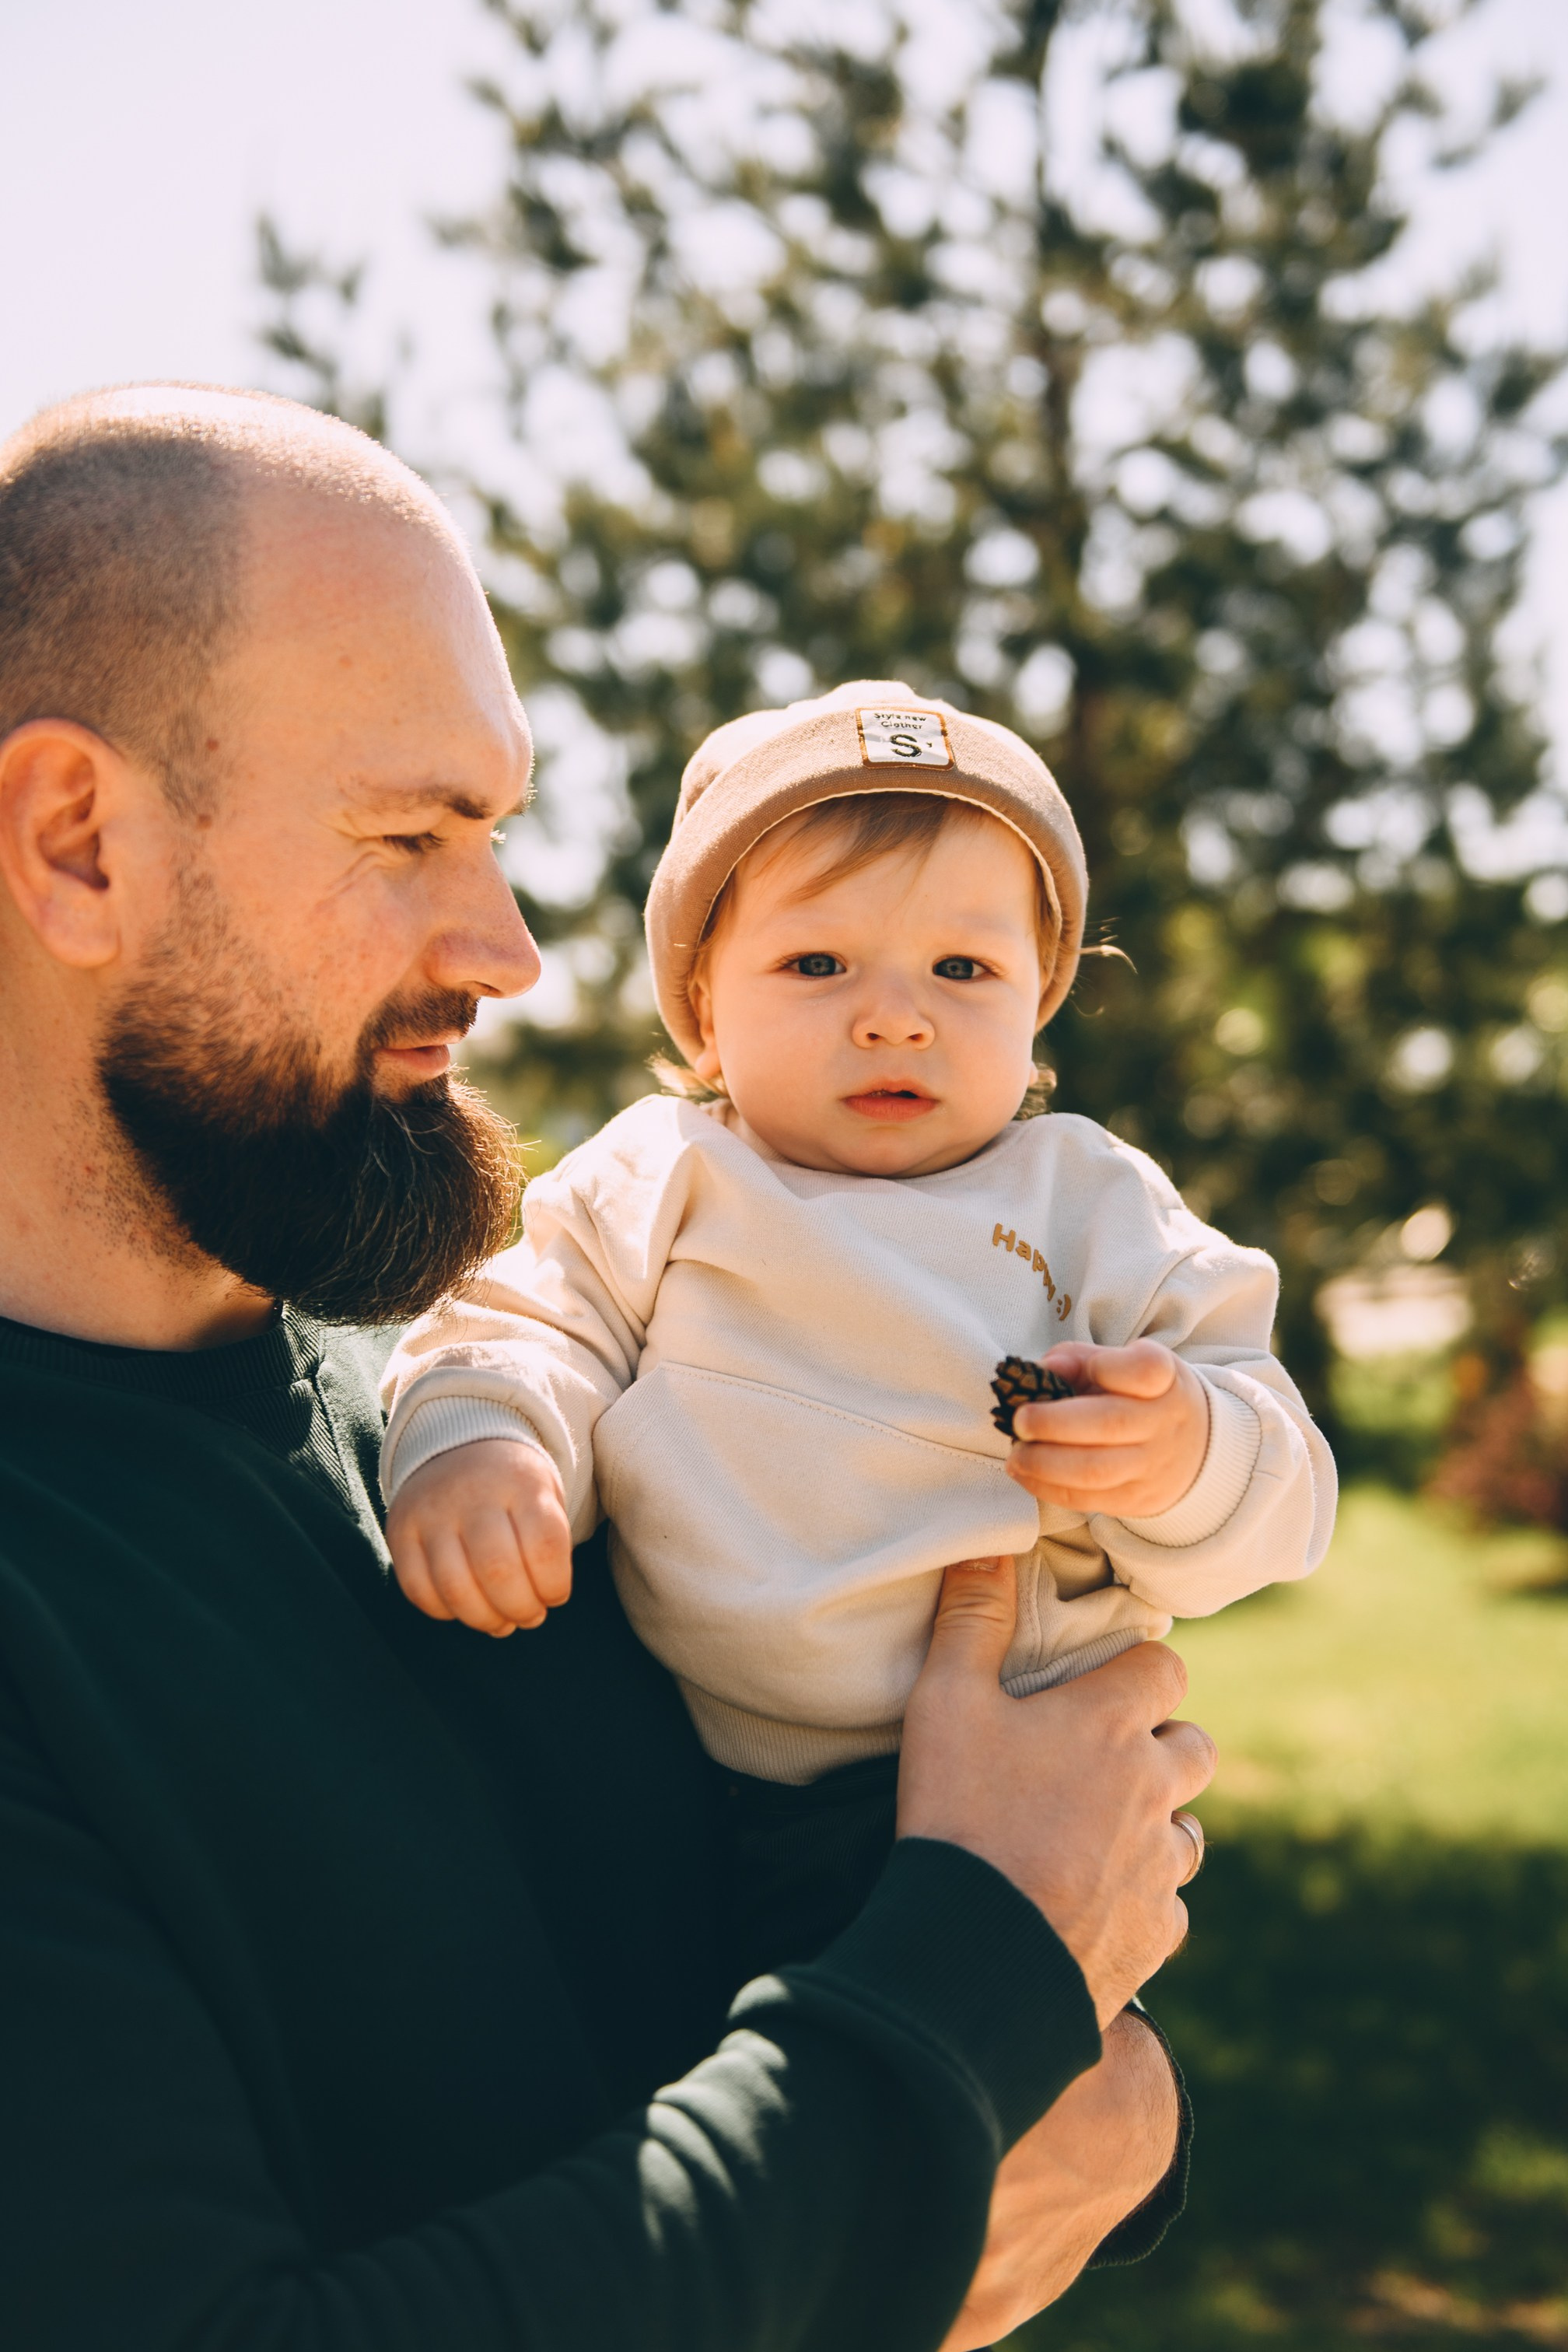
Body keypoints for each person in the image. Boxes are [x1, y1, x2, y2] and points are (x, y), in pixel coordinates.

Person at [0, 383, 1213, 2352]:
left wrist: (1100, 2077)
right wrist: (966, 2011)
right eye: (411, 834)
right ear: (75, 843)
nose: (511, 946)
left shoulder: (484, 1398)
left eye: (497, 832)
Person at [379, 683, 1334, 1971]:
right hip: (692, 1784)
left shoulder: (1090, 1201)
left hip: (1030, 1779)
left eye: (964, 967)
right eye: (817, 964)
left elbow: (1285, 1478)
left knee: (1008, 2121)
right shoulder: (667, 1172)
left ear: (1037, 1003)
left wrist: (1190, 1453)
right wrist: (482, 1443)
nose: (895, 1014)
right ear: (706, 1012)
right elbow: (520, 1323)